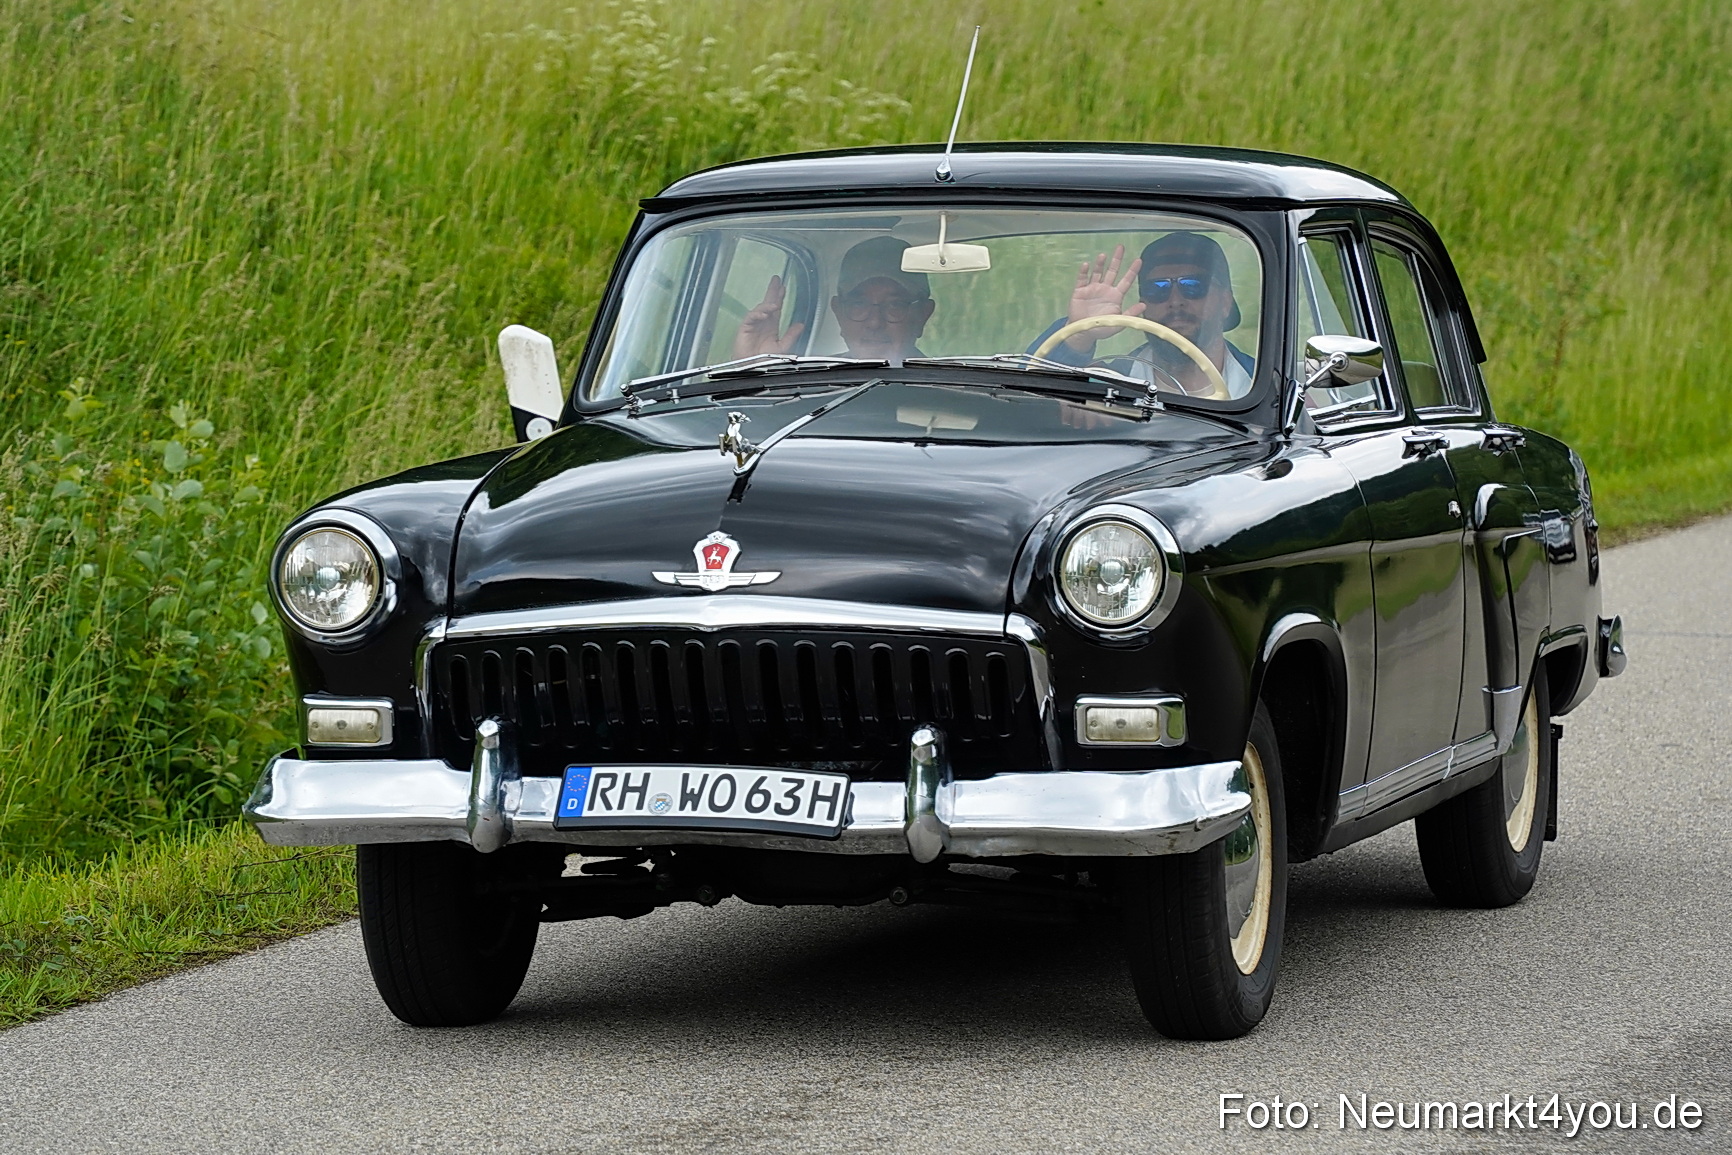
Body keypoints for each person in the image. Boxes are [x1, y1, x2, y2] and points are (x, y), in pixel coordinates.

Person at [1035, 233, 1253, 398]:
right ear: (1144, 304)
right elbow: (1022, 396)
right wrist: (1079, 334)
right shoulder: (1110, 383)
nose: (1175, 301)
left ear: (1225, 302)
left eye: (1193, 286)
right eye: (1157, 289)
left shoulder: (1264, 386)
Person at [733, 237, 935, 363]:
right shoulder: (806, 385)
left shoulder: (952, 395)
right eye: (859, 304)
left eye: (895, 305)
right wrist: (754, 369)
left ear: (923, 315)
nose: (875, 322)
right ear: (838, 312)